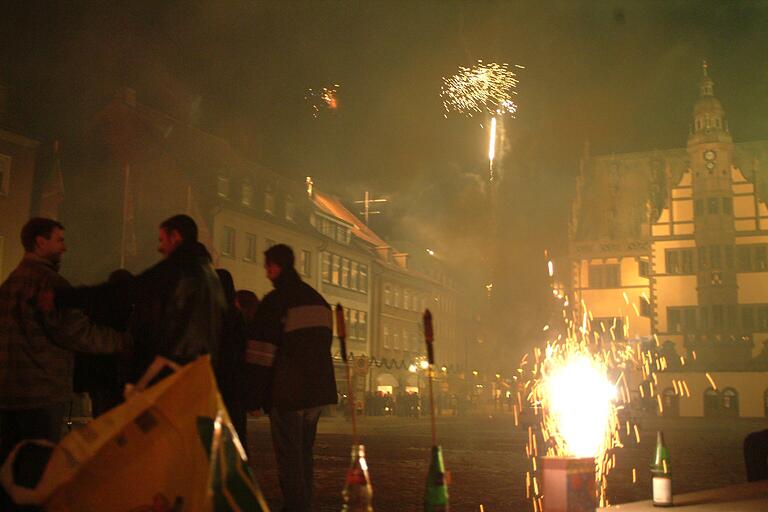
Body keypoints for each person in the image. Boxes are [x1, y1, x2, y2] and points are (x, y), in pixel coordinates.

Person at [0, 218, 128, 508]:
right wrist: (122, 342)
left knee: (9, 470)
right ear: (40, 242)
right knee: (39, 475)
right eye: (59, 240)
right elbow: (77, 332)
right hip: (42, 392)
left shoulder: (9, 283)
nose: (64, 247)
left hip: (8, 393)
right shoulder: (50, 284)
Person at [245, 244, 337, 512]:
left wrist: (254, 397)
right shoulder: (318, 300)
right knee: (305, 452)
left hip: (288, 390)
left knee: (289, 455)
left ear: (275, 266)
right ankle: (305, 502)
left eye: (267, 267)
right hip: (317, 391)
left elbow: (261, 354)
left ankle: (295, 506)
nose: (266, 273)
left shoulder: (275, 302)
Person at [127, 214, 225, 383]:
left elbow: (163, 335)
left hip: (172, 379)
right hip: (198, 376)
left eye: (162, 240)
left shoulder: (182, 277)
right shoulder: (210, 278)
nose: (159, 247)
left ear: (176, 237)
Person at [215, 268, 248, 446]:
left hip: (216, 382)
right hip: (235, 385)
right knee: (235, 435)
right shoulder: (237, 317)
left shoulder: (211, 315)